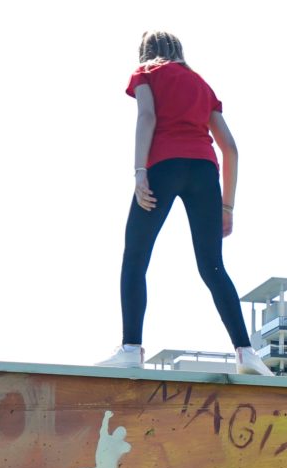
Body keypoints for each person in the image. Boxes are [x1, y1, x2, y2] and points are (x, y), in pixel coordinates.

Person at [98, 31, 271, 376]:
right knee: (213, 266)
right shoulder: (202, 85)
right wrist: (227, 207)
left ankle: (131, 348)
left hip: (164, 167)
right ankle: (246, 353)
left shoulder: (147, 73)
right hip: (204, 172)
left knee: (136, 257)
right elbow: (231, 148)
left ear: (145, 52)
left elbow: (147, 117)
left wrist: (139, 172)